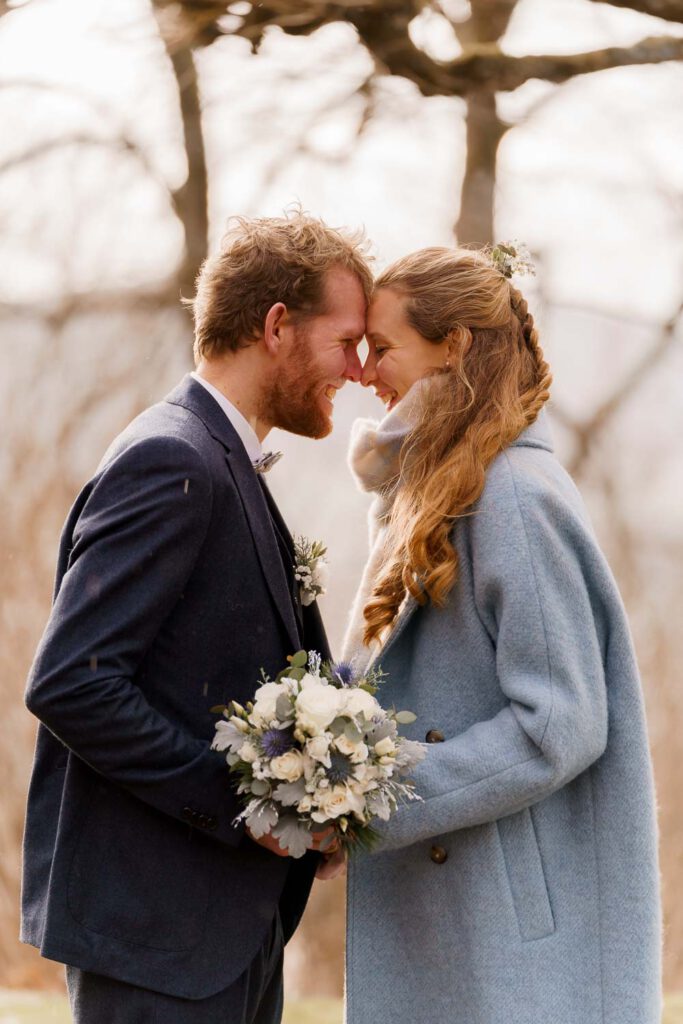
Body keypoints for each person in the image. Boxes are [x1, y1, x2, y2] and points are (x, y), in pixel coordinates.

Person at [21, 211, 371, 1024]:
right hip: (160, 940)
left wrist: (311, 795)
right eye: (345, 341)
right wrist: (252, 807)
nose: (356, 370)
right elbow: (74, 682)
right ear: (277, 326)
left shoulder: (220, 457)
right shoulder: (171, 458)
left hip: (220, 934)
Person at [342, 246, 661, 1024]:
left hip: (509, 939)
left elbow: (560, 723)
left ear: (452, 348)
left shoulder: (513, 499)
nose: (363, 372)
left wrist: (371, 796)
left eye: (382, 348)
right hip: (461, 915)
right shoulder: (444, 487)